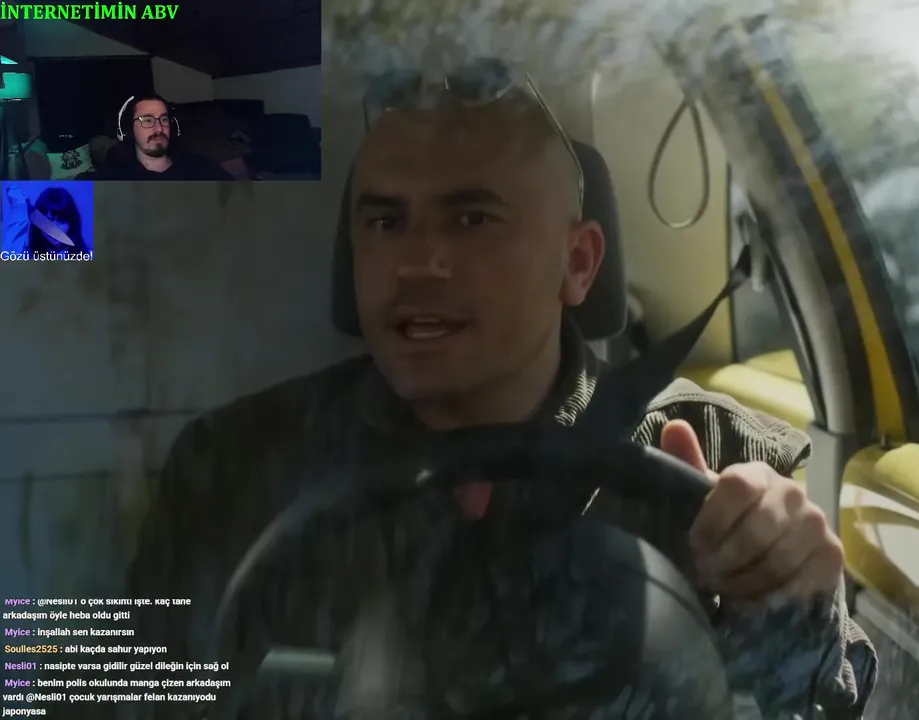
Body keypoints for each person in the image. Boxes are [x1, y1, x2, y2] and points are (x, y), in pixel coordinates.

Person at [123, 77, 876, 718]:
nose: (417, 262)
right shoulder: (234, 467)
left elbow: (816, 705)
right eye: (385, 221)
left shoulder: (725, 463)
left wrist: (789, 607)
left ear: (577, 263)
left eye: (471, 219)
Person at [79, 94, 232, 181]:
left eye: (163, 119)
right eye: (147, 120)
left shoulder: (201, 168)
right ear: (130, 128)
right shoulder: (115, 176)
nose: (159, 128)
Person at [1, 184, 90, 256]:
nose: (55, 228)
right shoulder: (24, 254)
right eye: (49, 220)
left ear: (72, 223)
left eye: (61, 220)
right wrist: (18, 210)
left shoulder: (88, 256)